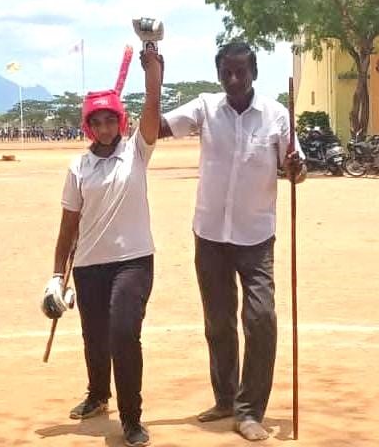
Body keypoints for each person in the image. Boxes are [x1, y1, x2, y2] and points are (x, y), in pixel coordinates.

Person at [157, 42, 306, 442]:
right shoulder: (205, 108)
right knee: (218, 322)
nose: (235, 79)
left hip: (256, 236)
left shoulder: (277, 115)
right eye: (227, 72)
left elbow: (296, 170)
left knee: (261, 319)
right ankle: (225, 399)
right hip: (209, 234)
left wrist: (295, 168)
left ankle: (250, 411)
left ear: (254, 72)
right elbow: (157, 128)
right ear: (218, 74)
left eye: (241, 71)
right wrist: (153, 75)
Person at [44, 44, 164, 447]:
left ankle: (131, 418)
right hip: (89, 264)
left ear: (120, 121)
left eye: (110, 120)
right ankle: (98, 394)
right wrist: (56, 276)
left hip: (133, 261)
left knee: (123, 333)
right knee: (94, 335)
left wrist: (152, 68)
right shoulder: (78, 167)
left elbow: (152, 106)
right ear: (88, 126)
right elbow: (68, 226)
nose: (105, 128)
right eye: (97, 122)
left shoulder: (137, 152)